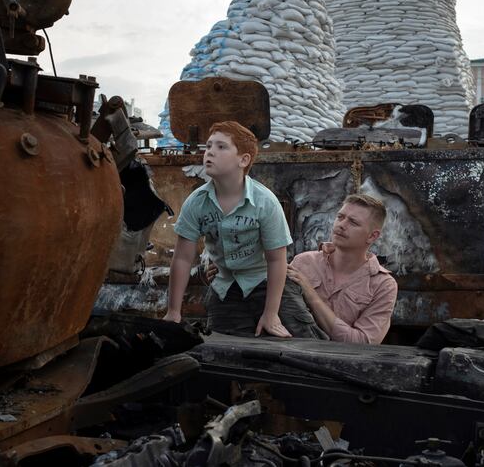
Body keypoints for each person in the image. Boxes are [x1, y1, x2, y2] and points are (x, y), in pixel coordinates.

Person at [161, 121, 323, 338]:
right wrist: (174, 311)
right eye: (208, 146)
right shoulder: (196, 203)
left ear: (243, 160)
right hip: (225, 285)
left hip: (267, 282)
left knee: (299, 343)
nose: (210, 152)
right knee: (221, 350)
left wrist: (271, 313)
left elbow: (276, 260)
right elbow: (182, 258)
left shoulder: (264, 202)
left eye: (221, 147)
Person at [287, 194, 398, 344]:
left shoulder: (382, 285)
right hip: (290, 357)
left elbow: (362, 343)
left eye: (353, 222)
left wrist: (311, 295)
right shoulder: (304, 262)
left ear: (372, 236)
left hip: (338, 365)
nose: (341, 225)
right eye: (340, 217)